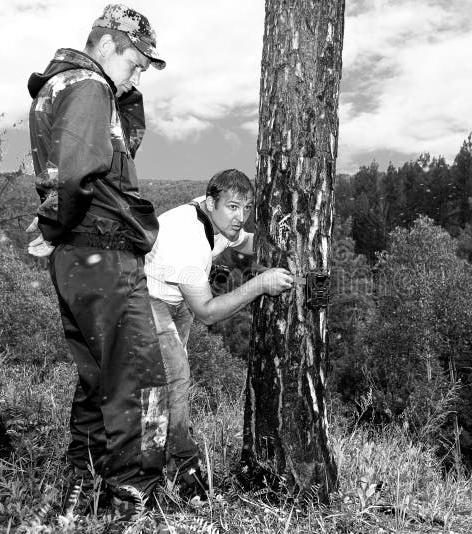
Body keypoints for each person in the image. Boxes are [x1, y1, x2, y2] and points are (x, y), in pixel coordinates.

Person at [26, 3, 169, 508]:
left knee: (97, 380)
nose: (135, 76)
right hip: (102, 251)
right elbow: (77, 175)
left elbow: (116, 150)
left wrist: (127, 90)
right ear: (107, 45)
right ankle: (134, 497)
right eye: (134, 62)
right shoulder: (89, 87)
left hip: (78, 256)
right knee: (139, 377)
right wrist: (52, 222)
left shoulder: (61, 88)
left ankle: (80, 487)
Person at [143, 168, 293, 497]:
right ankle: (179, 468)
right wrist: (261, 284)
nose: (241, 217)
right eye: (233, 207)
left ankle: (158, 454)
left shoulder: (216, 217)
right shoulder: (189, 239)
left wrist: (291, 250)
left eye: (247, 207)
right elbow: (208, 313)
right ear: (211, 202)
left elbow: (244, 241)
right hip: (147, 299)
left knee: (165, 380)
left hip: (177, 296)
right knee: (174, 376)